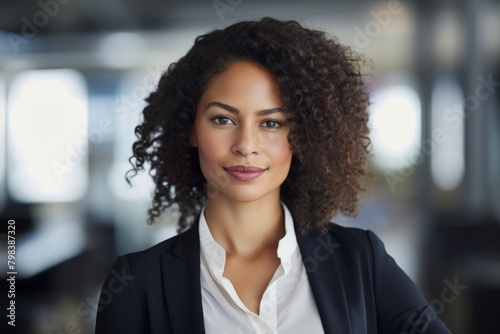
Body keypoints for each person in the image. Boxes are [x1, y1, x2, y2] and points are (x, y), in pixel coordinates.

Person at [95, 17, 451, 334]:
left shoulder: (360, 260)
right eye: (223, 119)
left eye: (271, 123)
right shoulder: (136, 282)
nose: (246, 144)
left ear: (302, 136)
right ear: (191, 130)